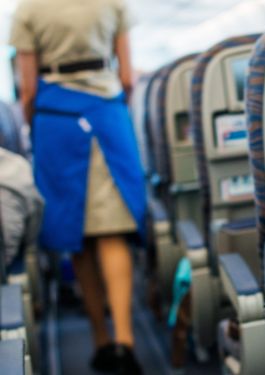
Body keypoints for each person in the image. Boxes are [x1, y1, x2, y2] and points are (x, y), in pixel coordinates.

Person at [10, 0, 147, 373]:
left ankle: (101, 341)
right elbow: (129, 78)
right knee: (112, 228)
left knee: (78, 233)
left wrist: (34, 124)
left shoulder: (28, 10)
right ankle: (125, 342)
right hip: (106, 112)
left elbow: (27, 91)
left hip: (55, 118)